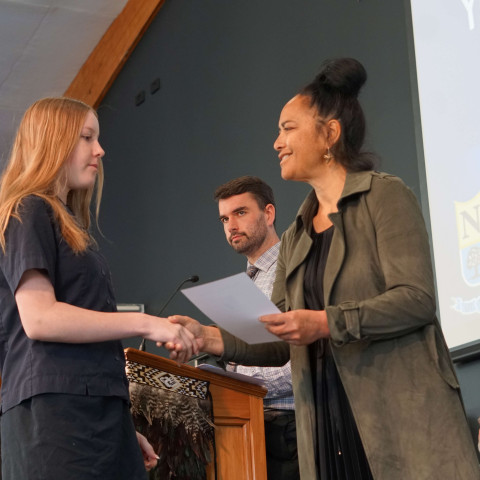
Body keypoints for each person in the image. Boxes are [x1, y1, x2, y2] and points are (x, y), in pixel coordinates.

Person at [171, 58, 480, 479]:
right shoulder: (298, 234)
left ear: (330, 133)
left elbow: (417, 300)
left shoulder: (384, 197)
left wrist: (324, 322)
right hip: (324, 424)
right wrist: (206, 336)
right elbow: (276, 336)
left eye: (288, 128)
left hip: (395, 417)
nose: (277, 142)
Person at [0, 97, 198, 480]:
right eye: (87, 137)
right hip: (56, 421)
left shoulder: (64, 221)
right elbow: (40, 319)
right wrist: (145, 323)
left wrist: (122, 428)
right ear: (54, 141)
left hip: (90, 419)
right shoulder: (29, 210)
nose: (100, 150)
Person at [214, 175, 299, 479]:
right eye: (224, 218)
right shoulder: (246, 282)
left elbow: (300, 359)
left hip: (291, 431)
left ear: (268, 213)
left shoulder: (292, 270)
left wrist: (244, 383)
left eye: (240, 213)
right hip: (248, 428)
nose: (231, 226)